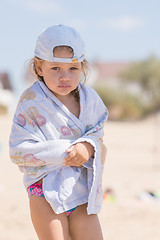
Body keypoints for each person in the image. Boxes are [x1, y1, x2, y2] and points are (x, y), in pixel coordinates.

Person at [9, 24, 108, 240]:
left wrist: (88, 146)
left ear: (82, 67)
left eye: (73, 68)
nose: (65, 77)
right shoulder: (30, 102)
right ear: (38, 67)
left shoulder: (90, 100)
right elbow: (17, 150)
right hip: (43, 190)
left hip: (80, 189)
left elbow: (98, 134)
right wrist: (64, 151)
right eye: (55, 68)